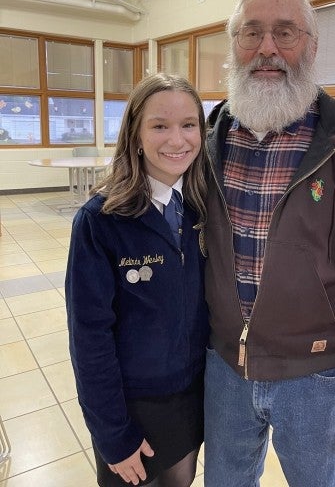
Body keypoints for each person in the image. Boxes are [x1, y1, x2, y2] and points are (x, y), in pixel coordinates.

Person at [203, 0, 335, 487]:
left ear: (311, 46)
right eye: (251, 33)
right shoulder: (208, 139)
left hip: (315, 376)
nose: (267, 48)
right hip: (225, 368)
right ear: (233, 46)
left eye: (285, 32)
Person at [66, 73, 209, 487]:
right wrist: (112, 433)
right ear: (135, 134)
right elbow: (89, 338)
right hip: (130, 407)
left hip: (189, 397)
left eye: (188, 125)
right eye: (159, 125)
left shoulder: (202, 209)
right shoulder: (100, 221)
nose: (177, 140)